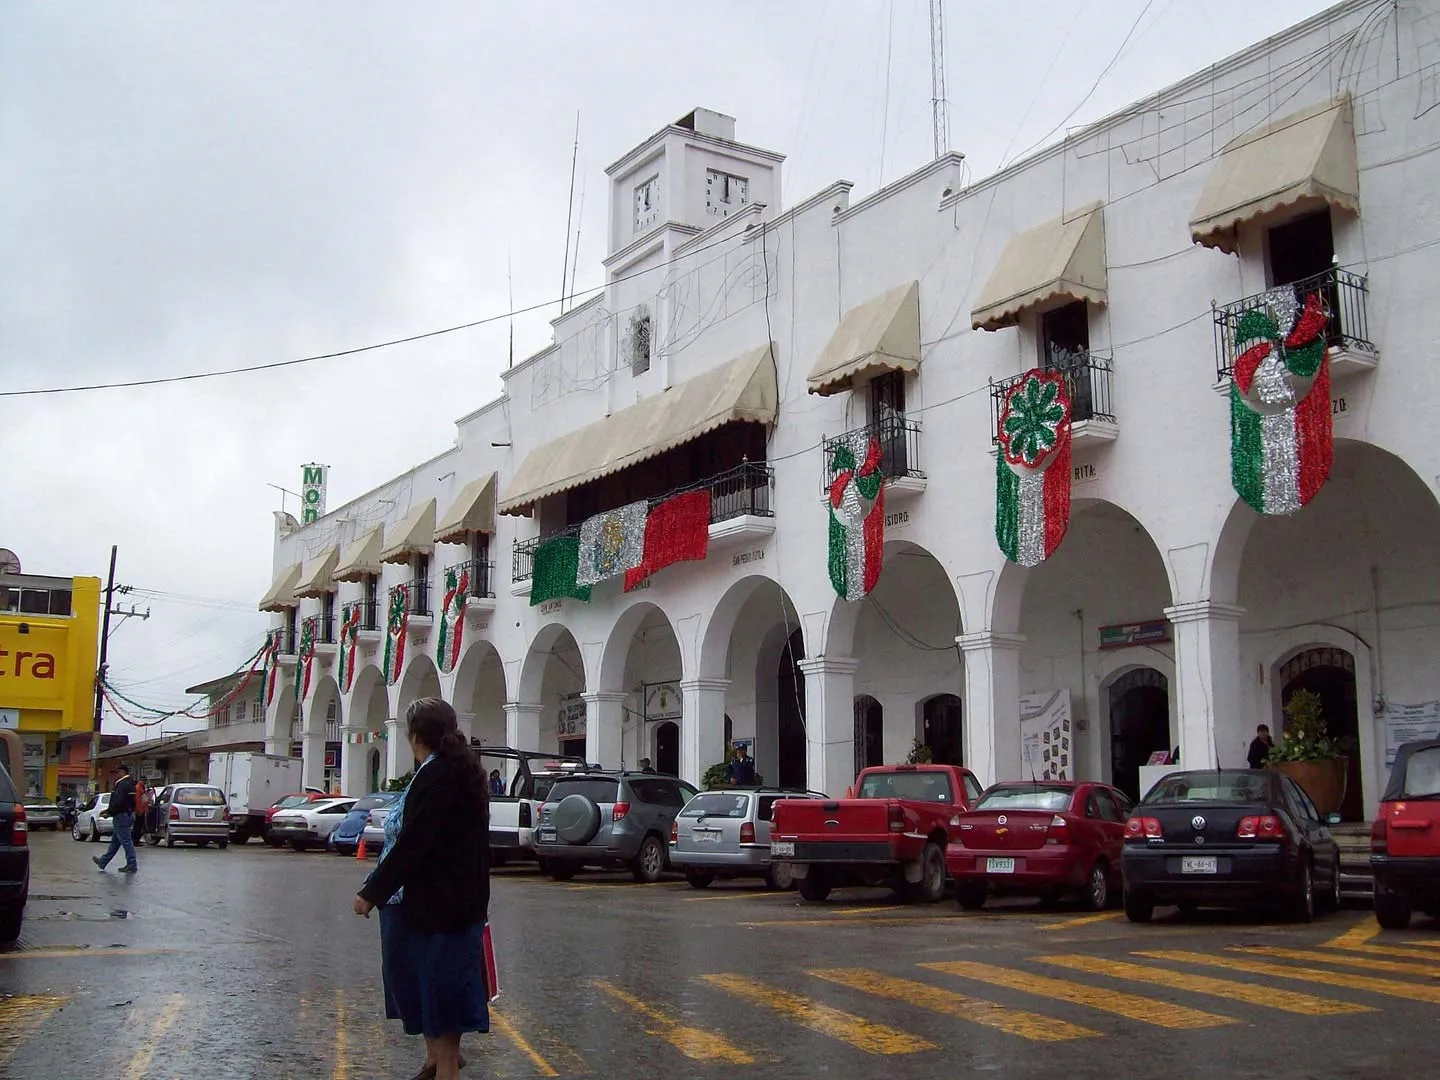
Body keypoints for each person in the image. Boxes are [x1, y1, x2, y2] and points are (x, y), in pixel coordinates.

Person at [353, 698, 489, 1080]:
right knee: (424, 985)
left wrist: (371, 891)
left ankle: (444, 1065)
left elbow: (414, 842)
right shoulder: (451, 771)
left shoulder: (438, 776)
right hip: (444, 902)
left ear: (415, 737)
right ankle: (437, 1061)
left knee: (438, 991)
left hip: (439, 905)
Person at [94, 764, 139, 874]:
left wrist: (109, 812)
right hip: (128, 814)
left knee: (126, 841)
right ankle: (103, 861)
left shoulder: (122, 785)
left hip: (121, 816)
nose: (115, 775)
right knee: (115, 842)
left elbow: (118, 802)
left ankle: (132, 864)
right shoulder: (130, 784)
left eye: (116, 772)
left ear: (122, 772)